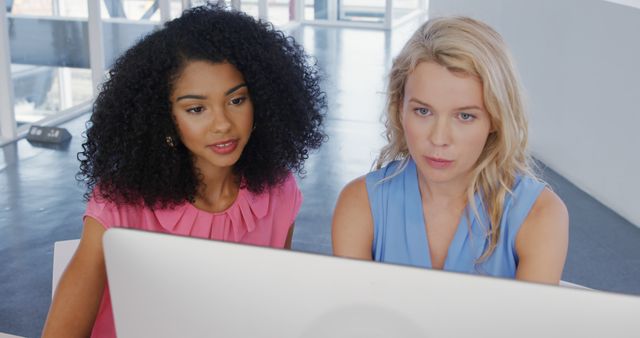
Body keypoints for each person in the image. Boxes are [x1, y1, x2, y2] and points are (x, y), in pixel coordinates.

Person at [42, 4, 325, 337]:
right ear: (165, 119)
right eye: (196, 108)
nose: (222, 124)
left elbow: (268, 311)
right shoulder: (119, 205)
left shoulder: (279, 193)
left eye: (236, 100)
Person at [332, 16, 568, 284]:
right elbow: (358, 320)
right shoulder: (359, 205)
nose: (439, 138)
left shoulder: (540, 215)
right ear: (400, 108)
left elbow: (530, 326)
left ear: (496, 119)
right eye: (423, 111)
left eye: (465, 116)